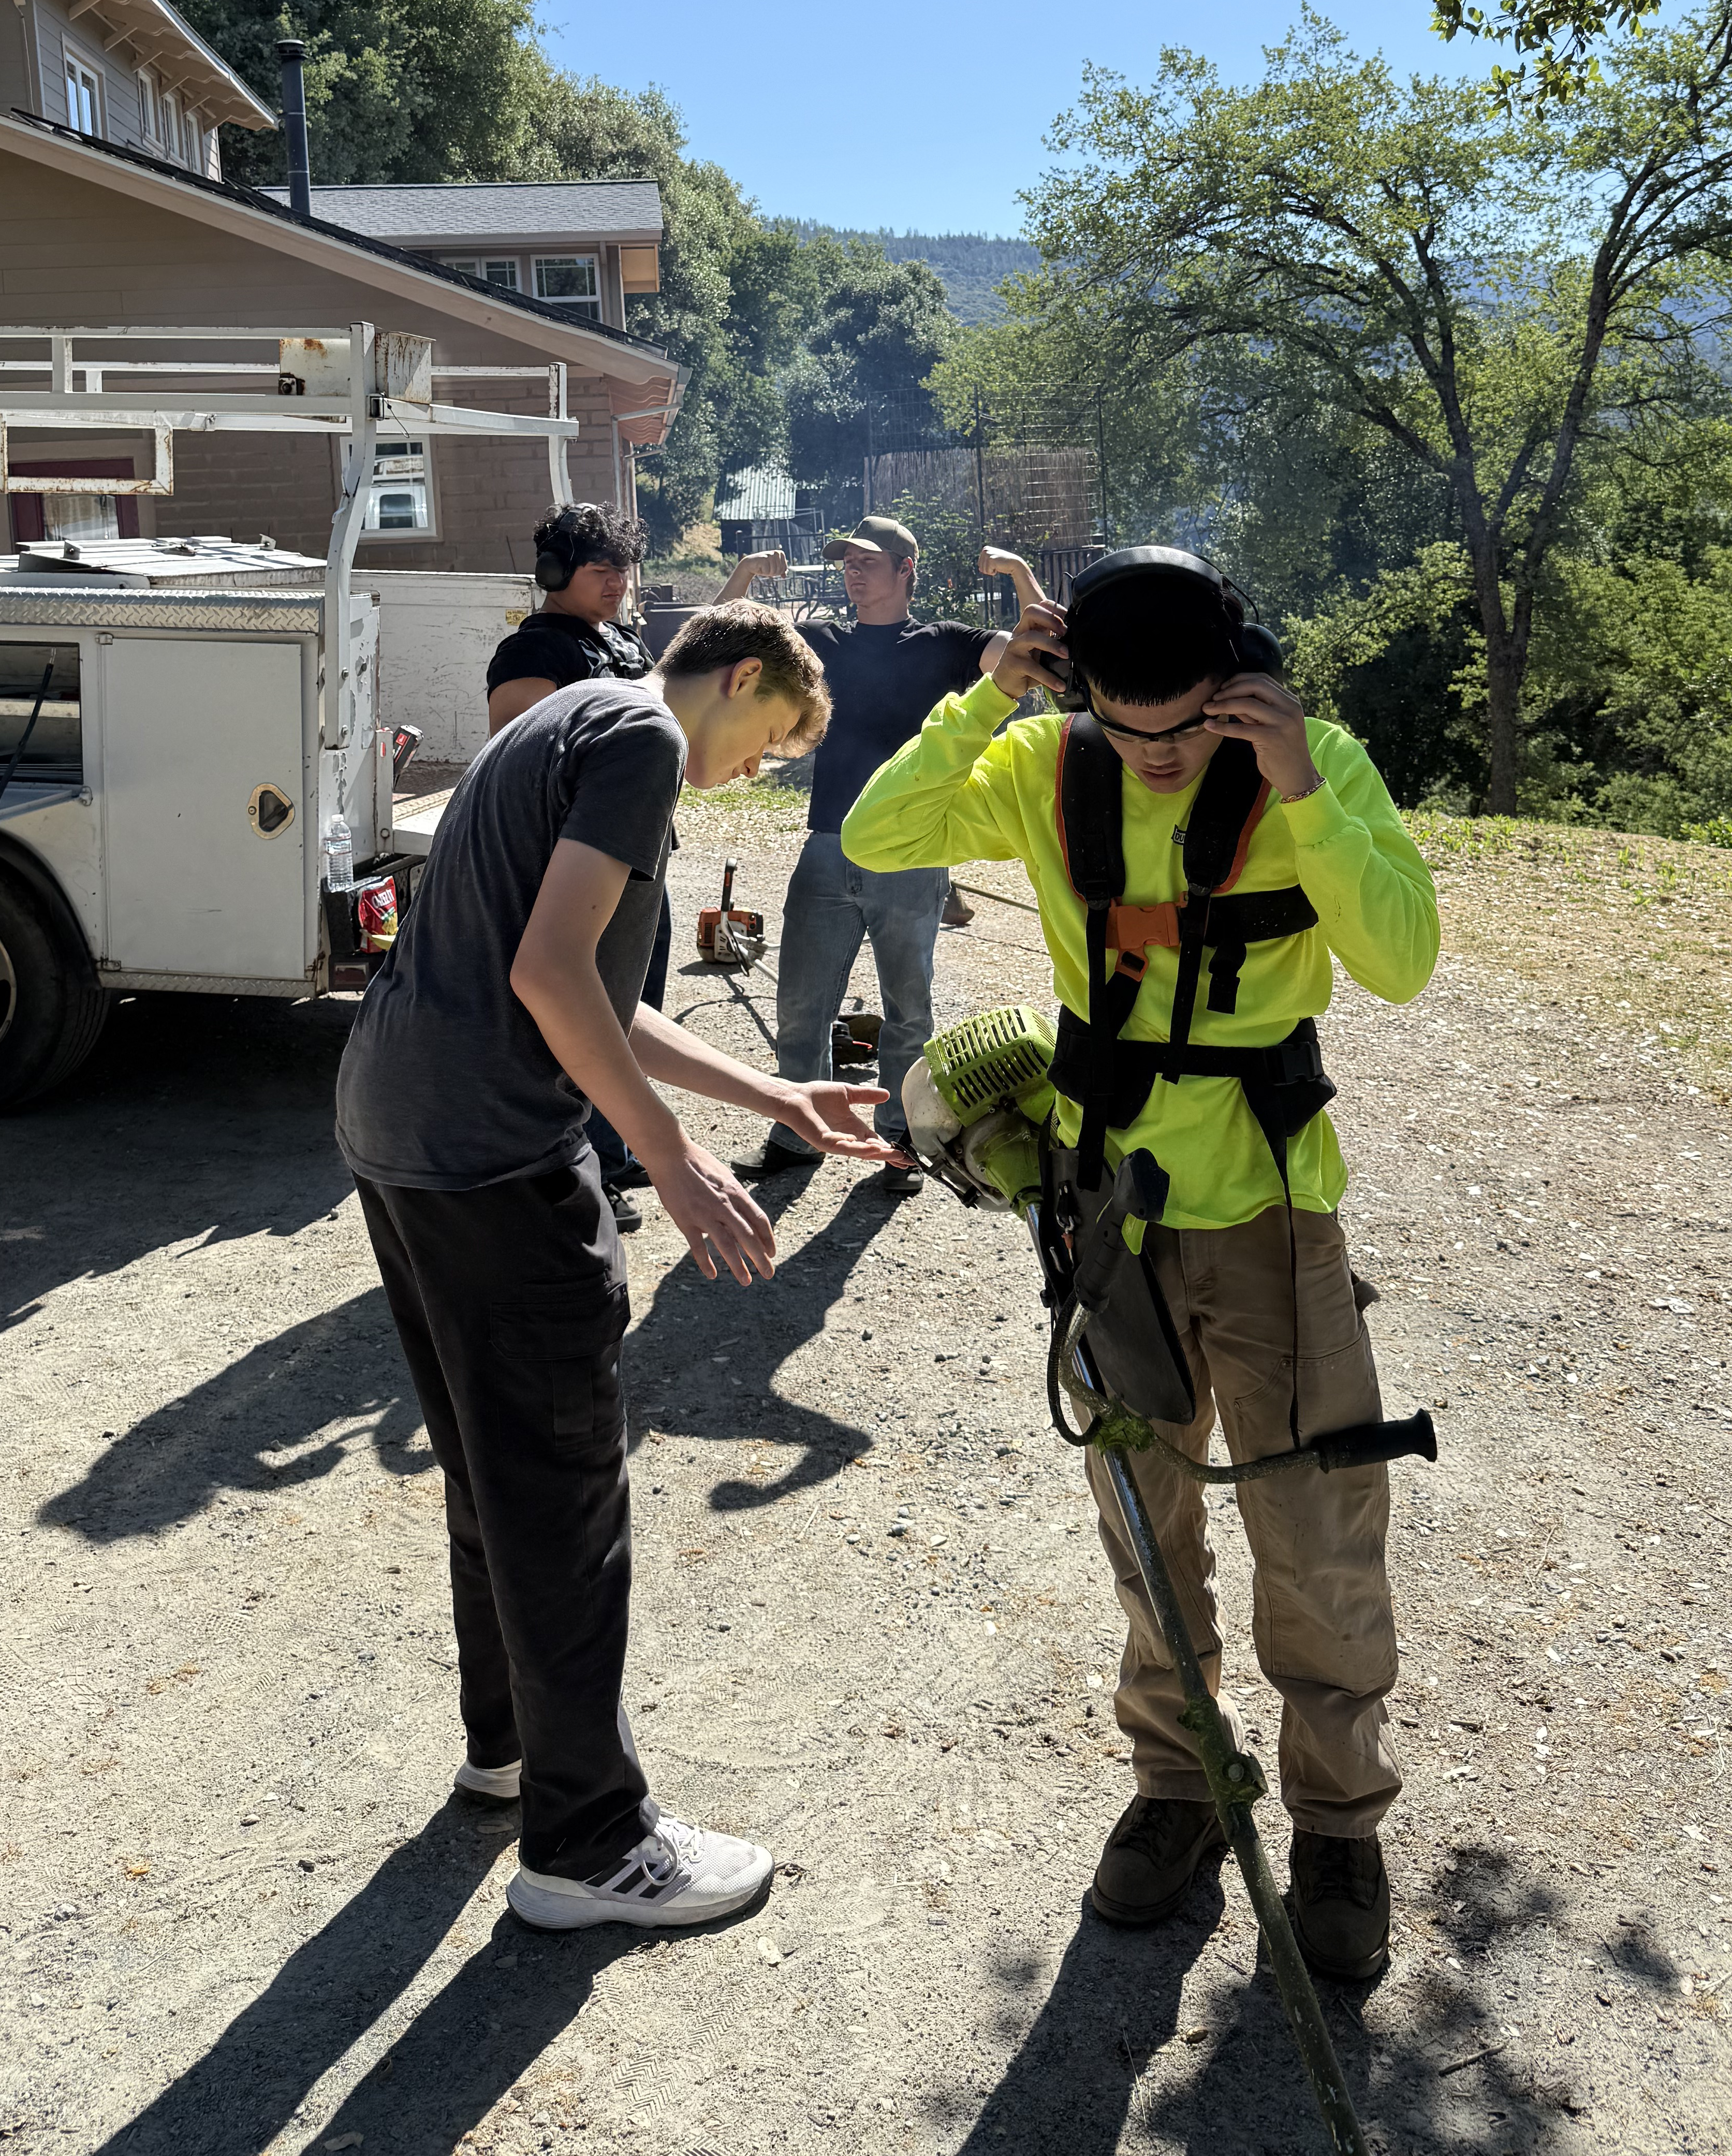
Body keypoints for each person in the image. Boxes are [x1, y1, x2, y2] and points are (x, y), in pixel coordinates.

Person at [840, 550, 1438, 1979]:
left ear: (1235, 684)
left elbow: (1402, 957)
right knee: (1139, 1507)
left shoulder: (1314, 762)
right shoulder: (1050, 765)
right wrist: (982, 694)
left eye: (1184, 730)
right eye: (1130, 730)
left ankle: (1337, 1825)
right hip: (1109, 1204)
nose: (1160, 760)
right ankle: (1176, 1788)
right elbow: (878, 834)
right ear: (1081, 693)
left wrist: (1297, 783)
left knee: (1316, 1530)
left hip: (1270, 1210)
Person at [338, 602, 892, 1933]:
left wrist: (770, 1097)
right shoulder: (642, 739)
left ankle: (513, 1752)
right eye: (773, 740)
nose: (759, 768)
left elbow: (592, 984)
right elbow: (549, 975)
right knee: (566, 1488)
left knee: (491, 1459)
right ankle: (586, 1845)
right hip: (491, 1154)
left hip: (396, 1128)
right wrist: (673, 1157)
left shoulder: (565, 722)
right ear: (743, 676)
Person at [484, 503, 788, 1232]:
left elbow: (685, 679)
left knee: (630, 1007)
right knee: (585, 1012)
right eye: (600, 569)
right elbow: (535, 770)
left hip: (639, 857)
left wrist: (741, 582)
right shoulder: (534, 655)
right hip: (578, 866)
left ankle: (615, 1151)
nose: (617, 582)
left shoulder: (615, 641)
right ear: (555, 573)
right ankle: (583, 1167)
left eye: (624, 567)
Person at [732, 515, 1018, 1196]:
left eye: (867, 561)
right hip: (828, 844)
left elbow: (1029, 658)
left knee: (908, 1009)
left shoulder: (946, 643)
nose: (852, 572)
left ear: (905, 570)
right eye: (845, 563)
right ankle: (796, 1135)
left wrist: (1017, 576)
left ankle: (901, 1146)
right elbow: (713, 648)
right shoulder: (823, 640)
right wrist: (744, 579)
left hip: (913, 851)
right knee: (802, 1003)